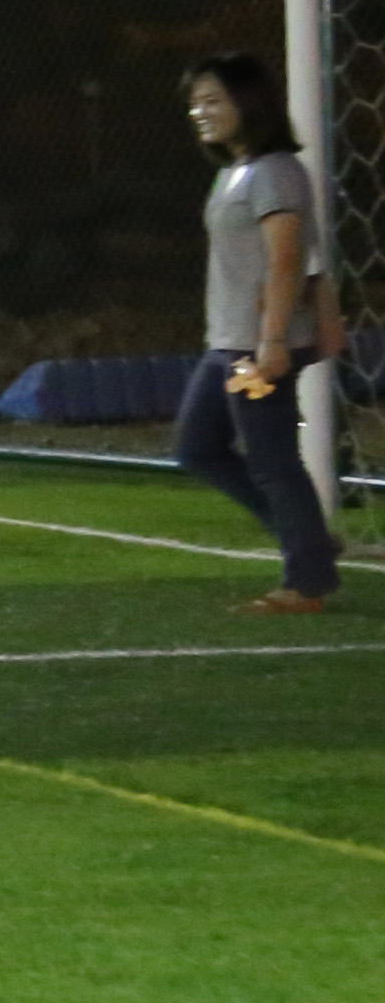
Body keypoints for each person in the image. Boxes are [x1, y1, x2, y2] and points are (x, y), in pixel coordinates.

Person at [177, 53, 339, 613]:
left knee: (273, 463)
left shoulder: (275, 171)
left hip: (256, 347)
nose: (199, 111)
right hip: (228, 343)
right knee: (197, 448)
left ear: (249, 102)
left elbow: (288, 258)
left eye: (212, 100)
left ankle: (306, 585)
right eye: (195, 102)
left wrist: (273, 341)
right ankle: (310, 544)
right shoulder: (235, 171)